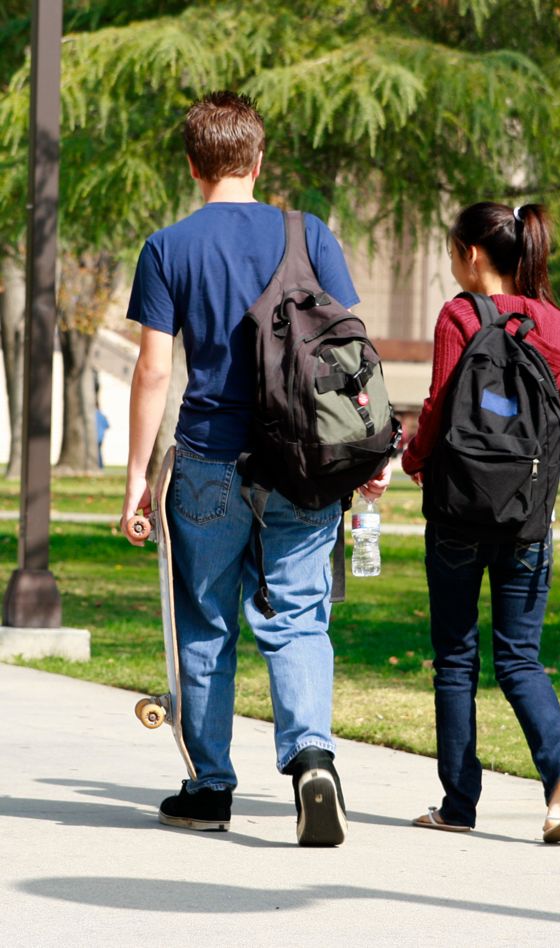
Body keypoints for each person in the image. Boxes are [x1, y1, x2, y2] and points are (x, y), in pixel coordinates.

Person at [120, 91, 390, 846]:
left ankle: (209, 788)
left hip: (208, 458)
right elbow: (346, 354)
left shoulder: (168, 247)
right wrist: (368, 456)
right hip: (304, 460)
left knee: (204, 621)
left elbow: (150, 371)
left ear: (192, 164)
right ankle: (311, 758)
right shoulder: (310, 233)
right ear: (259, 159)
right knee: (299, 614)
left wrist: (137, 476)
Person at [402, 202, 560, 843]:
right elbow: (558, 426)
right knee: (521, 660)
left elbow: (438, 404)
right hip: (526, 518)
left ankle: (458, 804)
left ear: (472, 255)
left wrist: (412, 458)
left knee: (456, 658)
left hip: (458, 511)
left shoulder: (459, 314)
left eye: (452, 252)